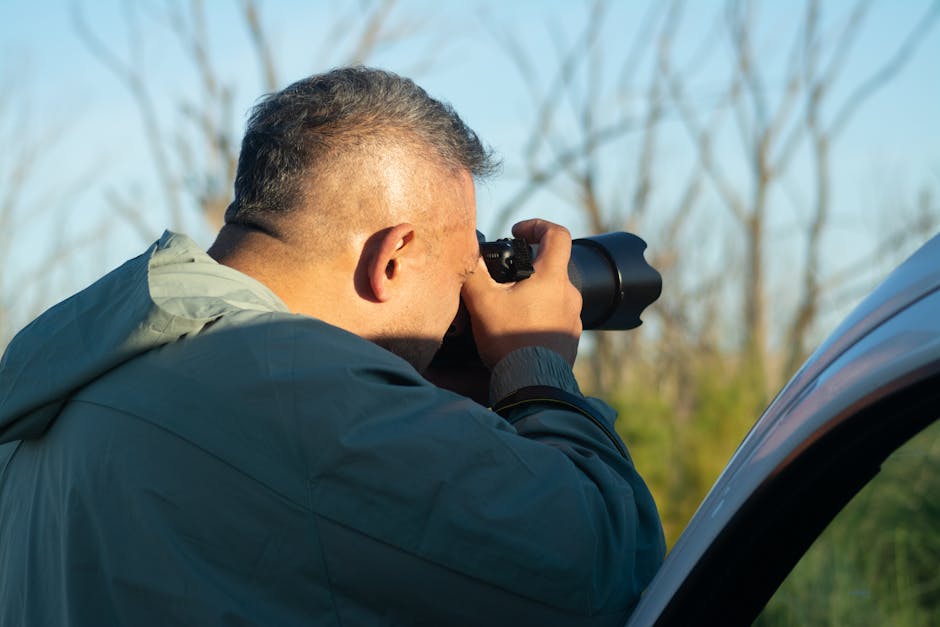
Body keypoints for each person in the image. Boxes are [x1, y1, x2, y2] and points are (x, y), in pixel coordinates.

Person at [0, 67, 665, 626]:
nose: (469, 297)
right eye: (465, 270)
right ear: (393, 258)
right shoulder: (300, 392)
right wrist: (533, 368)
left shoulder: (74, 376)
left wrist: (447, 403)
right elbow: (605, 569)